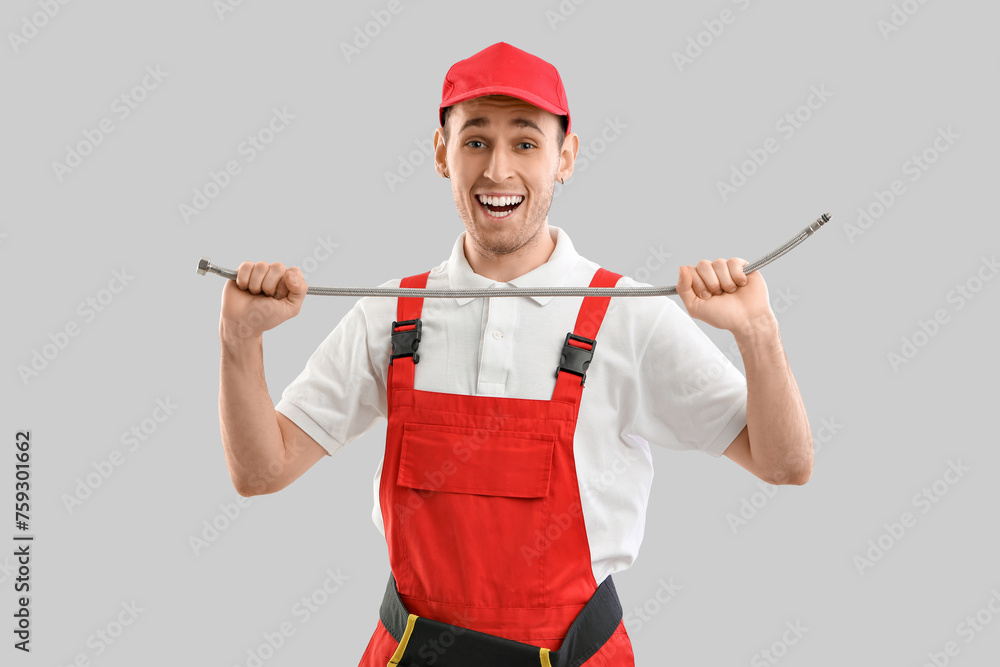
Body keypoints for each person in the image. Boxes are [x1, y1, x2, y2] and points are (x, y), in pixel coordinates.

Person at [216, 41, 814, 666]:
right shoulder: (391, 314)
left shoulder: (627, 316)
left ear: (566, 157)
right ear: (442, 153)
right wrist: (239, 342)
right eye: (476, 140)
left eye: (526, 143)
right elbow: (262, 472)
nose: (498, 170)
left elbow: (784, 464)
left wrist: (758, 333)